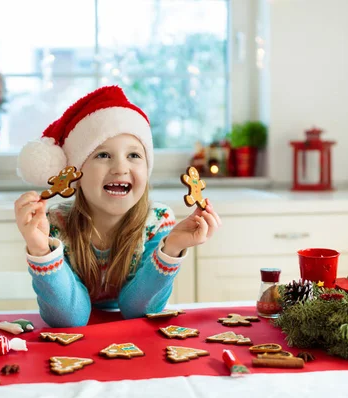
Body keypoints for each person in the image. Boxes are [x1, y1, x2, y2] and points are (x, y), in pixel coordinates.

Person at [14, 86, 221, 327]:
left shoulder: (158, 221)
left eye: (134, 155)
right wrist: (41, 252)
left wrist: (172, 249)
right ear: (76, 175)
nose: (120, 168)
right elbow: (70, 319)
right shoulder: (55, 223)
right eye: (103, 155)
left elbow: (138, 312)